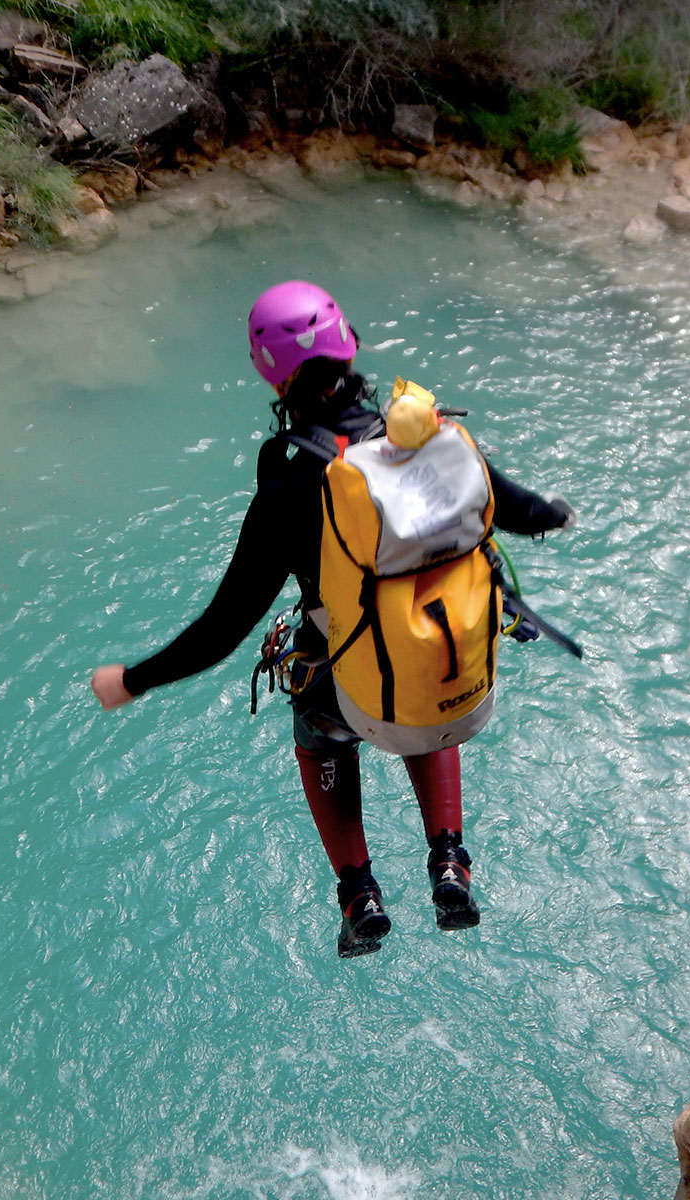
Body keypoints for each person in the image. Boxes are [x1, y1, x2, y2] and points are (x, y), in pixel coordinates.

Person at [90, 281, 574, 958]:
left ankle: (359, 897)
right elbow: (526, 512)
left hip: (351, 693)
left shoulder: (288, 493)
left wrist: (132, 680)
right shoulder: (434, 442)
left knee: (321, 726)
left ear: (272, 376)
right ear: (350, 346)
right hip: (458, 685)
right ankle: (449, 862)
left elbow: (222, 631)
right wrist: (558, 512)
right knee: (418, 662)